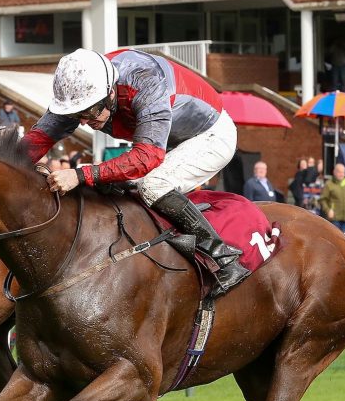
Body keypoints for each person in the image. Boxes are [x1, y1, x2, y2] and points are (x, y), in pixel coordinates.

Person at [20, 47, 247, 294]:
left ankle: (224, 260)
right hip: (167, 140)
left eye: (89, 112)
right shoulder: (82, 92)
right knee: (113, 185)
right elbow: (35, 142)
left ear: (110, 93)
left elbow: (147, 157)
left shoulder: (145, 81)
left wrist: (80, 174)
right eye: (77, 115)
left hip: (210, 135)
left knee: (153, 185)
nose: (83, 121)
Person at [319, 163, 345, 232]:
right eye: (339, 172)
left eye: (343, 172)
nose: (342, 174)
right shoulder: (329, 184)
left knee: (344, 237)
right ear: (334, 172)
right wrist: (328, 210)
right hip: (334, 218)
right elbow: (322, 200)